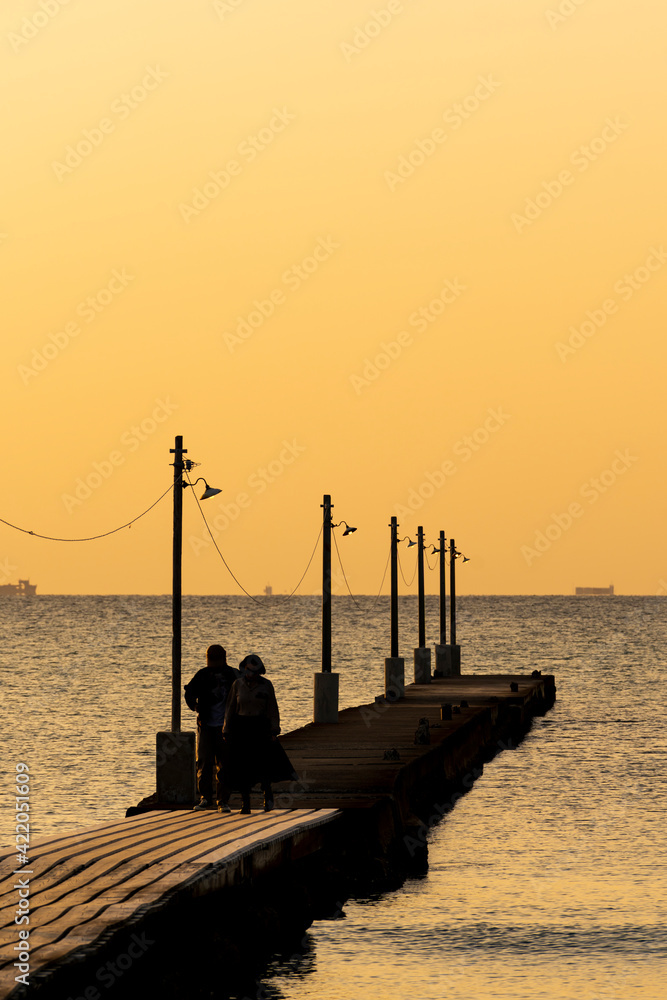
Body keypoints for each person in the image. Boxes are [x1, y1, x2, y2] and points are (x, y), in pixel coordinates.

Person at [223, 653, 296, 815]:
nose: (251, 675)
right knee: (242, 767)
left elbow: (272, 708)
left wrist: (274, 729)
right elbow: (230, 708)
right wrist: (226, 729)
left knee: (263, 764)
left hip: (260, 727)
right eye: (249, 672)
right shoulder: (237, 685)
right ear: (244, 670)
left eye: (255, 673)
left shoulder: (266, 685)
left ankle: (267, 795)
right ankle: (245, 803)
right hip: (241, 727)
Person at [184, 644, 237, 813]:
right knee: (204, 763)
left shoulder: (233, 675)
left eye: (215, 659)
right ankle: (205, 798)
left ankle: (223, 800)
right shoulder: (202, 675)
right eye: (210, 659)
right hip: (206, 725)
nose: (212, 663)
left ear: (224, 659)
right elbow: (189, 692)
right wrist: (195, 707)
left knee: (226, 763)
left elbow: (243, 693)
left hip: (226, 727)